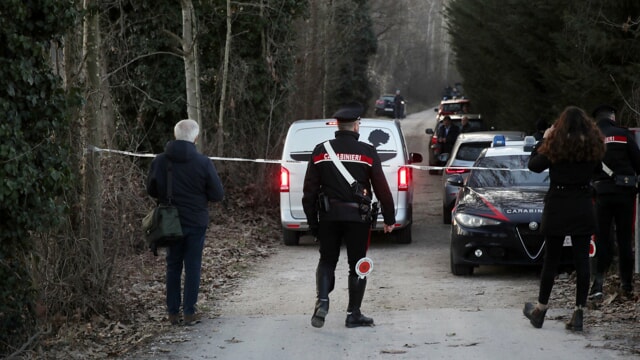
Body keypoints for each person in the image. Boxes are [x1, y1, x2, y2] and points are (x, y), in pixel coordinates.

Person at [302, 102, 395, 329]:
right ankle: (353, 314)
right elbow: (382, 188)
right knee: (357, 264)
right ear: (356, 126)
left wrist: (313, 223)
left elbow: (309, 192)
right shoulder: (367, 152)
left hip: (329, 216)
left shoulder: (320, 150)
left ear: (337, 125)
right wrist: (390, 219)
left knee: (327, 260)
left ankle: (322, 301)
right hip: (358, 218)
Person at [523, 106, 605, 332]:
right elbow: (598, 170)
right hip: (582, 204)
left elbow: (534, 165)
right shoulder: (592, 146)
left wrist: (543, 140)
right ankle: (579, 312)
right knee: (582, 260)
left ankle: (540, 309)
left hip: (558, 203)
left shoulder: (555, 145)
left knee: (551, 259)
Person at [146, 119, 225, 325]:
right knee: (193, 266)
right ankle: (189, 312)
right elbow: (218, 194)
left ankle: (172, 313)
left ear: (175, 136)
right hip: (196, 221)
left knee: (172, 266)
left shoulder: (160, 161)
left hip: (169, 222)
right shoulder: (203, 162)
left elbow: (151, 189)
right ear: (196, 138)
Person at [589, 104, 640, 300]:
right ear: (613, 117)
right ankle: (626, 285)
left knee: (601, 238)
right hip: (625, 194)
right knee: (625, 240)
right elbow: (638, 162)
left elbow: (588, 167)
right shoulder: (624, 135)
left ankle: (598, 284)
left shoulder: (592, 138)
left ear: (596, 120)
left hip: (601, 194)